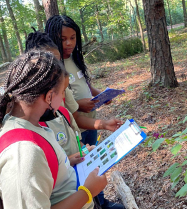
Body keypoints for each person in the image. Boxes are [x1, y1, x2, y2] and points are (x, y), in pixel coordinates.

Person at [0, 50, 107, 209]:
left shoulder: (23, 123)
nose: (63, 98)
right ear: (48, 97)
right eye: (62, 92)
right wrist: (88, 192)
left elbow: (41, 170)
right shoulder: (23, 154)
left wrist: (66, 161)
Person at [44, 18, 126, 209]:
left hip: (90, 122)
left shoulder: (74, 58)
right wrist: (80, 106)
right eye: (63, 38)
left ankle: (100, 202)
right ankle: (89, 202)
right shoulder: (54, 63)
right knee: (77, 171)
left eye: (73, 38)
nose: (69, 43)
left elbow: (84, 83)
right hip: (73, 127)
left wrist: (100, 95)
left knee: (93, 164)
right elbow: (66, 103)